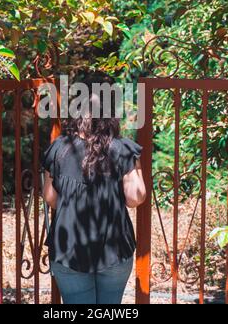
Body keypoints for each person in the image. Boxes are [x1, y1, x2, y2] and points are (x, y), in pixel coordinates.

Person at [42, 73, 146, 305]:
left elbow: (50, 196)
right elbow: (134, 198)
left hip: (69, 250)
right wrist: (135, 165)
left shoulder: (59, 149)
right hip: (114, 250)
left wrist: (76, 205)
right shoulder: (123, 149)